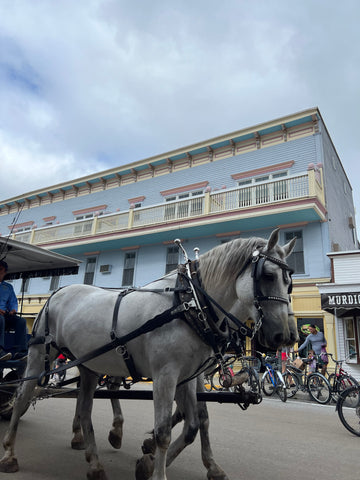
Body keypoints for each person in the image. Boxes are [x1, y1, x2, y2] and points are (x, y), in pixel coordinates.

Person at [0, 259, 28, 361]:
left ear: (5, 272)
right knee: (0, 319)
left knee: (21, 321)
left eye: (1, 269)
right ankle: (0, 350)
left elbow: (13, 302)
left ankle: (20, 351)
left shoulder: (8, 287)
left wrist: (13, 310)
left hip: (4, 315)